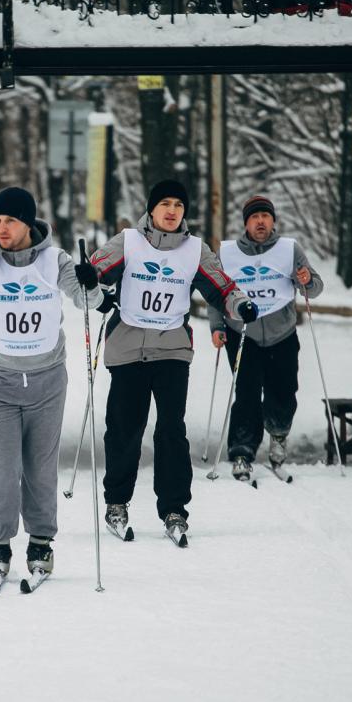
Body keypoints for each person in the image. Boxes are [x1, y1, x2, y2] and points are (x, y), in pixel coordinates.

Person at [0, 187, 102, 580]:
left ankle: (41, 542)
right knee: (4, 465)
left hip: (47, 380)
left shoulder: (55, 260)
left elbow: (90, 302)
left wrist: (90, 281)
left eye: (9, 221)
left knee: (41, 467)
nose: (1, 229)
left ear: (28, 223)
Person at [89, 180, 256, 543]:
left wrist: (239, 304)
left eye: (178, 205)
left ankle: (174, 509)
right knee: (124, 430)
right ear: (151, 209)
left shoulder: (194, 251)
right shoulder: (129, 242)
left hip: (172, 351)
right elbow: (92, 273)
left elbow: (223, 288)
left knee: (170, 431)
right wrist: (91, 280)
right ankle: (117, 502)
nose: (171, 211)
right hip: (128, 349)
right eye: (164, 203)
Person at [208, 195, 323, 481]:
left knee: (283, 392)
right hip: (241, 334)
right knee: (246, 394)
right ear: (246, 223)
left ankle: (279, 433)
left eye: (266, 216)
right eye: (255, 217)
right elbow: (215, 294)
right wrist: (216, 326)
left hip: (281, 334)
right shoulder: (229, 252)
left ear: (273, 221)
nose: (261, 221)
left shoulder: (289, 249)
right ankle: (242, 451)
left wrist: (306, 279)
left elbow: (315, 287)